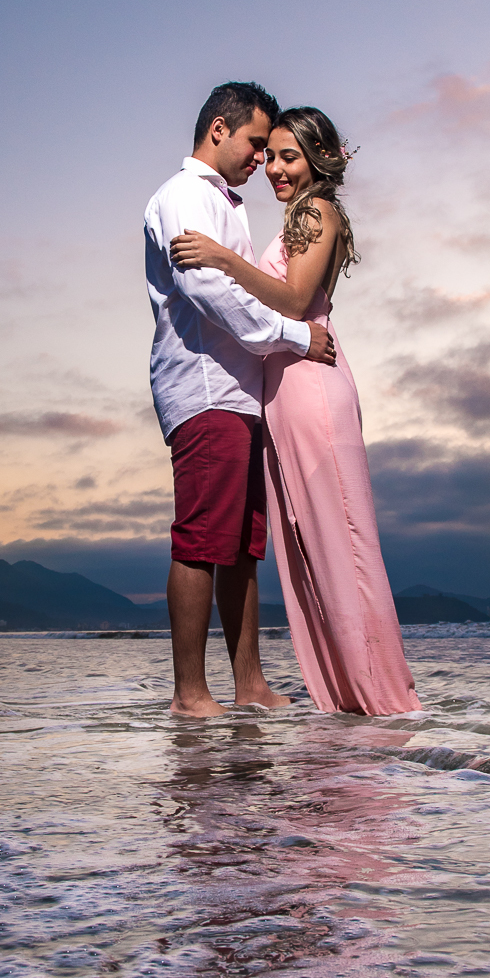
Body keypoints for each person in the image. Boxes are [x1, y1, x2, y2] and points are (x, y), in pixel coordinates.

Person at [171, 107, 420, 717]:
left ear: (318, 159)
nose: (275, 168)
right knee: (311, 542)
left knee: (341, 541)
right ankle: (347, 698)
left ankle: (382, 698)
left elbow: (295, 298)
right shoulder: (298, 217)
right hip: (286, 389)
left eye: (289, 157)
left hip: (311, 388)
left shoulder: (315, 211)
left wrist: (224, 260)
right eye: (271, 155)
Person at [145, 82, 337, 716]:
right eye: (257, 144)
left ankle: (249, 684)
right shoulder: (183, 196)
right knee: (203, 537)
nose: (263, 159)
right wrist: (294, 338)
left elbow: (241, 284)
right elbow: (209, 294)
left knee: (242, 544)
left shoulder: (228, 205)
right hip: (205, 388)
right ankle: (189, 693)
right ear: (219, 131)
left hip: (240, 391)